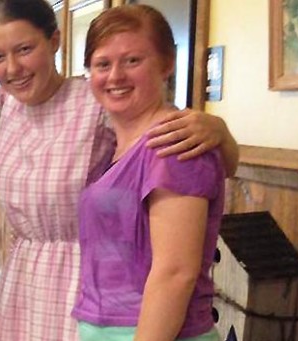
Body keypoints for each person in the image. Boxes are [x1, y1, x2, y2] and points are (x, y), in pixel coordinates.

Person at [0, 1, 238, 339]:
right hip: (23, 280)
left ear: (54, 42)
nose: (13, 67)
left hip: (88, 283)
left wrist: (219, 132)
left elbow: (193, 153)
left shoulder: (97, 100)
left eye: (25, 49)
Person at [72, 5, 224, 340]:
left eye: (132, 60)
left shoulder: (175, 146)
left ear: (167, 64)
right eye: (102, 64)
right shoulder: (115, 142)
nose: (115, 76)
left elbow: (175, 273)